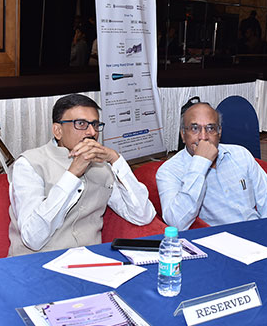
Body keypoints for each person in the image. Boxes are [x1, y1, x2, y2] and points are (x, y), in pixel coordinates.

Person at [8, 94, 156, 256]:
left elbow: (142, 216)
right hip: (36, 262)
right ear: (58, 131)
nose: (92, 132)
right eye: (81, 124)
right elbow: (32, 238)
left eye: (95, 124)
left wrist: (116, 160)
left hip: (90, 261)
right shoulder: (29, 164)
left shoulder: (103, 167)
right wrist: (72, 175)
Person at [156, 102, 267, 231]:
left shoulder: (241, 154)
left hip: (257, 231)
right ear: (183, 134)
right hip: (219, 239)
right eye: (195, 128)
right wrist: (200, 163)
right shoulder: (169, 171)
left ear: (219, 132)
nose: (203, 137)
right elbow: (176, 223)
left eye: (210, 128)